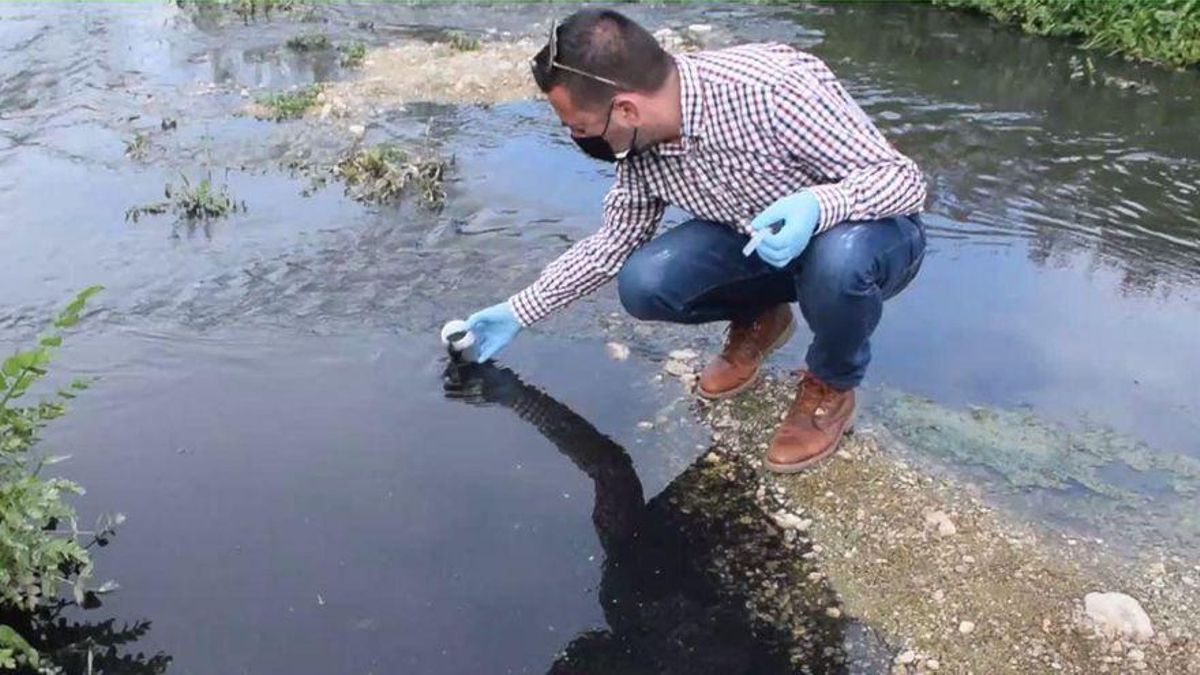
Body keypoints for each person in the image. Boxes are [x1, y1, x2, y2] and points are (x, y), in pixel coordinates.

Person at [465, 9, 927, 473]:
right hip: (758, 242)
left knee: (839, 260)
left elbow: (904, 181)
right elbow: (612, 244)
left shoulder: (773, 87)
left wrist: (819, 205)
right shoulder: (638, 145)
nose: (577, 139)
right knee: (645, 282)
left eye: (580, 128)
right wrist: (518, 311)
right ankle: (760, 315)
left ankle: (831, 383)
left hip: (868, 236)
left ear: (626, 110)